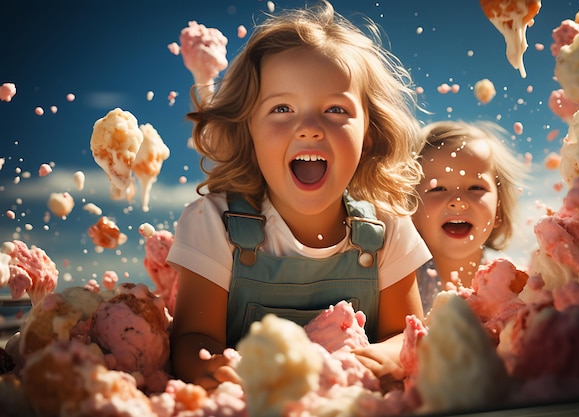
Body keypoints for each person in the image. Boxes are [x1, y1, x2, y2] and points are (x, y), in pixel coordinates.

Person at [167, 0, 431, 392]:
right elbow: (193, 340)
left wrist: (389, 355)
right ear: (248, 128)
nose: (309, 128)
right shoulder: (215, 224)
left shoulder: (388, 230)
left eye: (336, 109)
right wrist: (211, 367)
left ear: (369, 131)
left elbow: (405, 334)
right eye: (283, 108)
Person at [412, 120, 527, 313]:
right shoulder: (404, 283)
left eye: (476, 188)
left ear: (498, 210)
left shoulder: (514, 280)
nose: (458, 201)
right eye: (438, 188)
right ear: (412, 209)